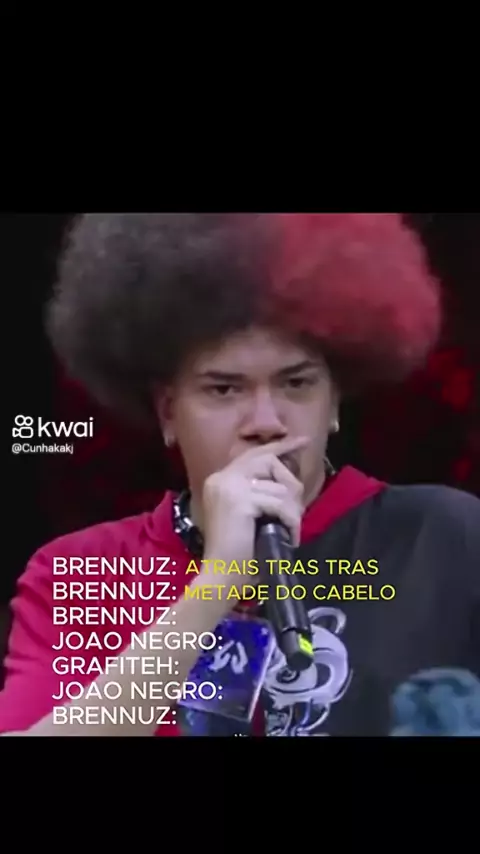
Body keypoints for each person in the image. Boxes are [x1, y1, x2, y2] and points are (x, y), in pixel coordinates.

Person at [1, 213, 478, 737]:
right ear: (168, 412)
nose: (266, 423)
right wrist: (218, 582)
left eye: (296, 384)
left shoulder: (446, 537)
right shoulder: (82, 572)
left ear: (334, 403)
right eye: (224, 390)